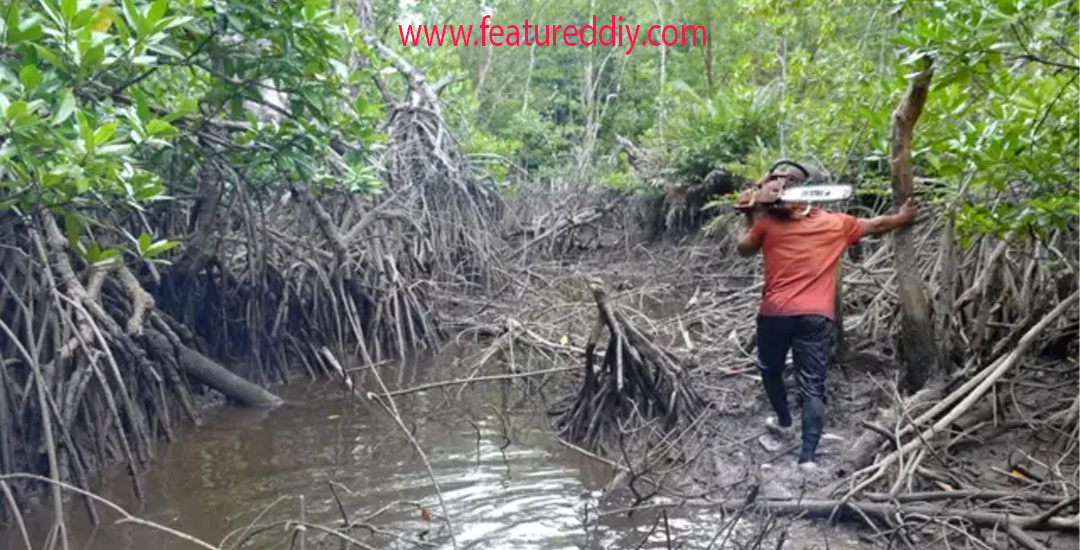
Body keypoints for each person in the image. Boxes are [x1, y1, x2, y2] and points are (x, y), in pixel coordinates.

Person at [735, 175, 917, 473]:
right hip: (817, 317)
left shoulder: (767, 223)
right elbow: (877, 225)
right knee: (812, 385)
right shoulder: (836, 223)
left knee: (770, 370)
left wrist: (749, 216)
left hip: (775, 314)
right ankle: (807, 458)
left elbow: (743, 249)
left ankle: (783, 421)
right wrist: (903, 217)